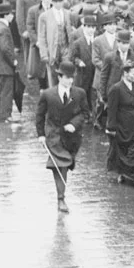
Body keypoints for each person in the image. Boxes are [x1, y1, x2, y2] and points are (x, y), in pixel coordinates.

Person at [36, 62, 87, 213]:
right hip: (54, 135)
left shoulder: (79, 94)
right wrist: (41, 135)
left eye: (72, 78)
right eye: (67, 78)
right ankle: (61, 199)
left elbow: (85, 113)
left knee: (67, 162)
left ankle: (61, 197)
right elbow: (39, 115)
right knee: (59, 166)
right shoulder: (48, 94)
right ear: (59, 77)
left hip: (72, 138)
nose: (70, 81)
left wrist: (74, 124)